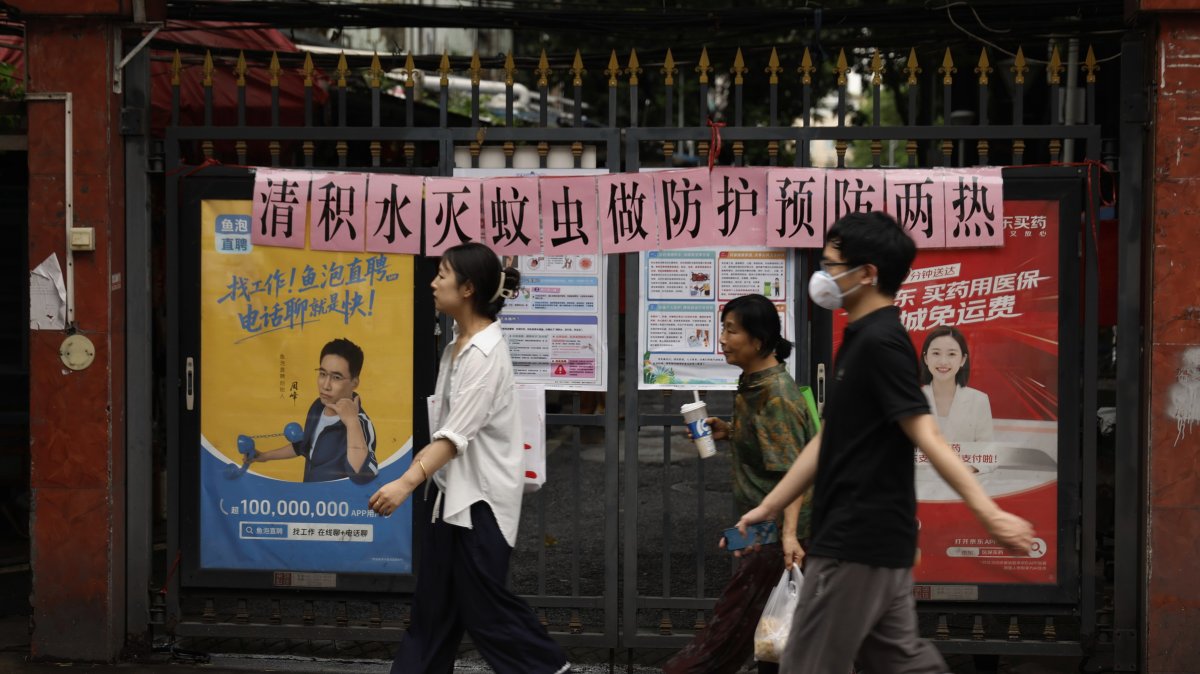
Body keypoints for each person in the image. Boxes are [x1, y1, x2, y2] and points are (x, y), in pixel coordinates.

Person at [735, 211, 1034, 674]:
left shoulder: (882, 343)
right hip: (871, 538)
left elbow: (926, 433)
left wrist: (990, 513)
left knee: (808, 664)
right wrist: (770, 507)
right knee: (901, 662)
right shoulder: (859, 338)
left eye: (832, 265)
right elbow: (830, 437)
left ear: (867, 273)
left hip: (859, 538)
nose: (824, 275)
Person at [368, 242, 570, 674]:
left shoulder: (484, 353)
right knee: (433, 612)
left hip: (480, 506)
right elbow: (448, 432)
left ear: (468, 288)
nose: (433, 282)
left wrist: (405, 483)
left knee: (487, 612)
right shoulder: (458, 346)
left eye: (442, 274)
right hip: (451, 501)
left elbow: (454, 437)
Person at [663, 294, 814, 674]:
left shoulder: (775, 395)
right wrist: (729, 431)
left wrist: (790, 537)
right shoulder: (753, 383)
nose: (723, 339)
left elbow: (794, 471)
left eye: (731, 331)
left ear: (758, 341)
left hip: (777, 535)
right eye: (723, 329)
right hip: (764, 530)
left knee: (727, 633)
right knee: (771, 635)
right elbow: (770, 446)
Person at [252, 338, 378, 484]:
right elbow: (304, 446)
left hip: (339, 505)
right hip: (311, 499)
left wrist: (351, 422)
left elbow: (362, 477)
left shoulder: (361, 423)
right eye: (323, 374)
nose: (325, 385)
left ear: (354, 383)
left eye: (336, 377)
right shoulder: (318, 407)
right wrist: (265, 456)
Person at [920, 326, 994, 443]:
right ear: (926, 358)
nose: (943, 361)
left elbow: (985, 453)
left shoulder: (979, 401)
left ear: (963, 359)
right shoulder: (910, 399)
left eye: (951, 354)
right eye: (936, 353)